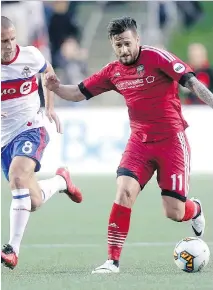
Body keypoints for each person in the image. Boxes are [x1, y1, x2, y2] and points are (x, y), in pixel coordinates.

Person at [45, 17, 213, 274]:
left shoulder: (158, 57)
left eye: (127, 43)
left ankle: (195, 208)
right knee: (123, 190)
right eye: (117, 45)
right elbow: (79, 92)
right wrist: (57, 88)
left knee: (174, 211)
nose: (123, 50)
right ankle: (112, 261)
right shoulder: (113, 71)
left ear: (137, 40)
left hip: (171, 142)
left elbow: (192, 82)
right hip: (139, 143)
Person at [1, 16, 83, 270]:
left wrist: (49, 107)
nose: (10, 45)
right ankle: (61, 181)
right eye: (4, 41)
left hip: (31, 128)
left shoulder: (30, 56)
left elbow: (48, 73)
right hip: (4, 141)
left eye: (12, 39)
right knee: (32, 201)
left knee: (17, 176)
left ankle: (12, 249)